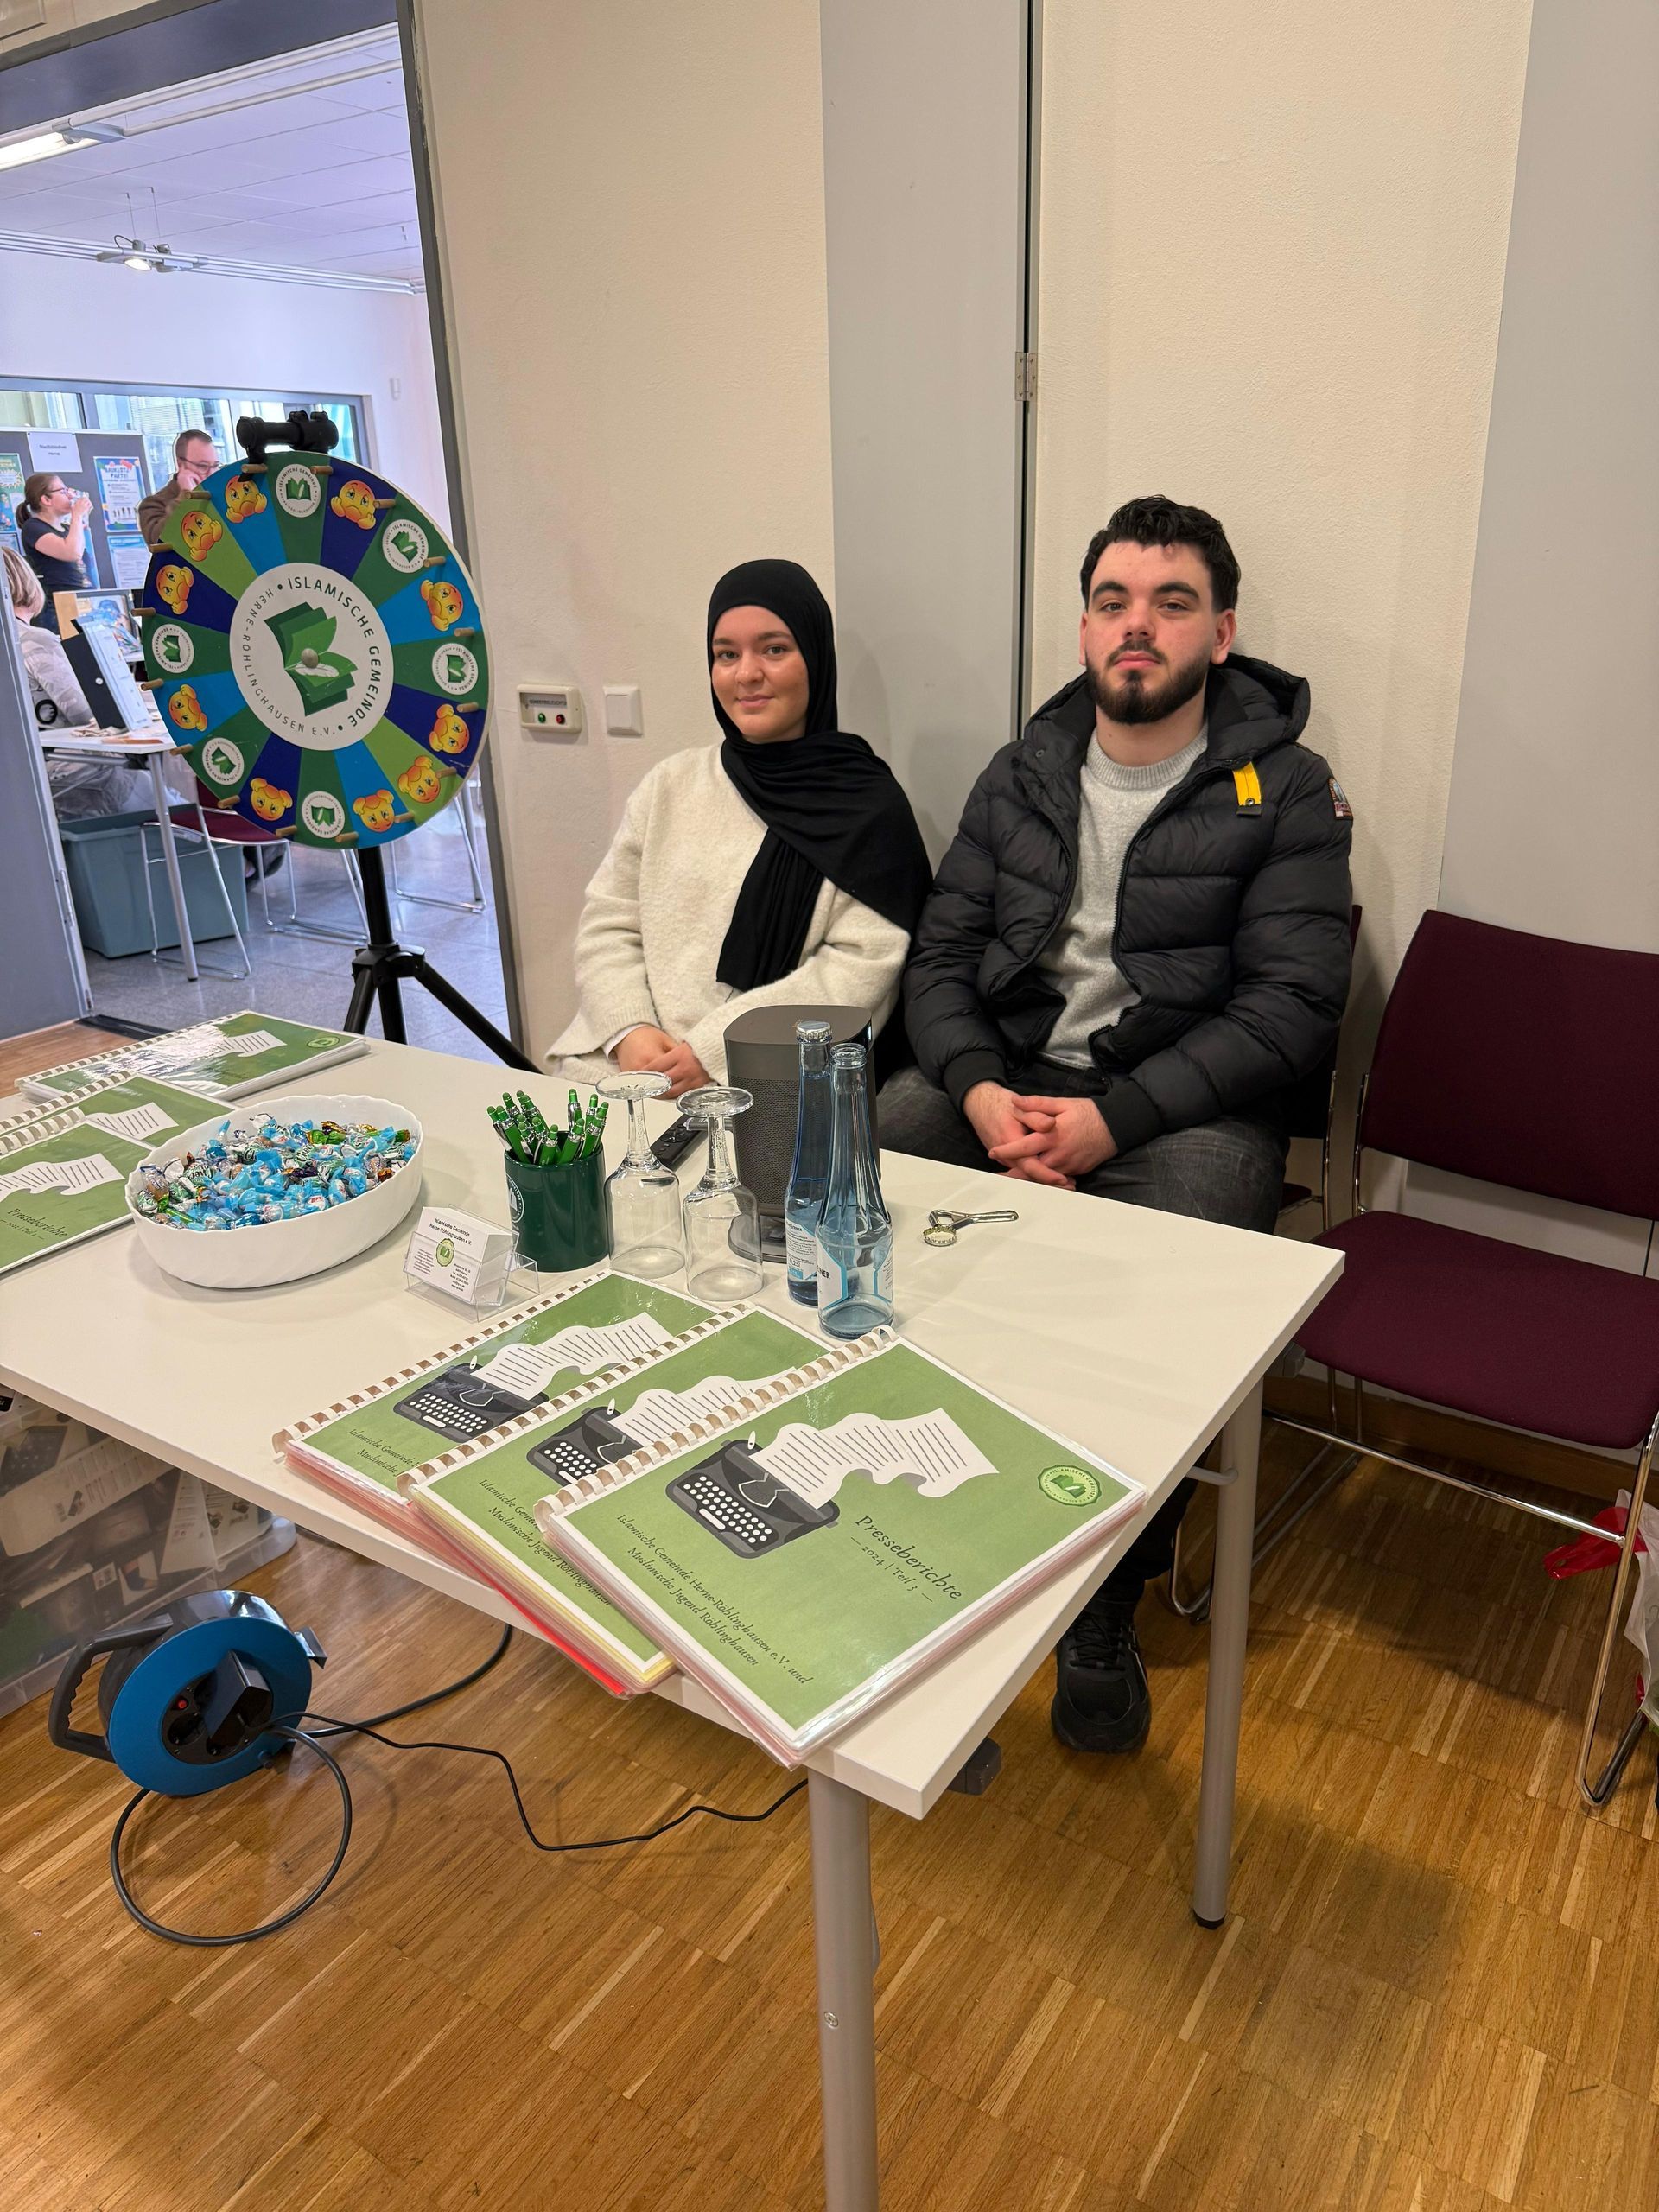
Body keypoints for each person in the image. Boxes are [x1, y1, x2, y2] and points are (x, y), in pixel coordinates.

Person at [884, 495, 1353, 1755]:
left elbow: (1294, 1009)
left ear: (1221, 631)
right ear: (1086, 626)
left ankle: (1106, 1589)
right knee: (875, 1158)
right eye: (1113, 601)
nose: (1137, 625)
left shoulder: (1286, 787)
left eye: (1171, 602)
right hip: (1011, 1076)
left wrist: (1112, 1121)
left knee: (1175, 1274)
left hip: (1183, 1103)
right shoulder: (1022, 771)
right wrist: (979, 1091)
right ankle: (901, 1500)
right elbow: (940, 961)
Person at [550, 559, 931, 1094]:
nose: (746, 674)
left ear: (815, 659)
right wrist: (629, 1029)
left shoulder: (868, 810)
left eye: (774, 649)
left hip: (770, 1082)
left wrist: (716, 1051)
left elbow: (861, 970)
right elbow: (609, 923)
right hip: (629, 1067)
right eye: (726, 654)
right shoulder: (670, 785)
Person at [3, 545, 148, 817]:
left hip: (24, 788)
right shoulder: (35, 641)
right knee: (173, 798)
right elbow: (86, 713)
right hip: (78, 776)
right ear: (25, 581)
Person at [16, 473, 93, 633]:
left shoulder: (67, 529)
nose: (70, 495)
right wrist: (77, 515)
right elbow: (72, 553)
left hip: (82, 601)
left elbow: (80, 555)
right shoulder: (33, 527)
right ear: (46, 499)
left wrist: (80, 519)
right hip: (58, 607)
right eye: (63, 491)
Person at [138, 428, 219, 549]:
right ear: (181, 464)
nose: (211, 474)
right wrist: (185, 497)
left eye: (215, 466)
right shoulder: (153, 505)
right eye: (203, 466)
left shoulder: (221, 494)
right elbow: (160, 541)